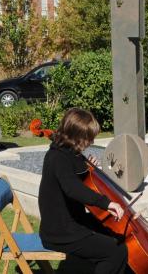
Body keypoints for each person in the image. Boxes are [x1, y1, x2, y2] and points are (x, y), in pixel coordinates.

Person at [39, 108, 127, 274]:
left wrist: (87, 169)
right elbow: (73, 188)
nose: (91, 142)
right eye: (89, 138)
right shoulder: (57, 157)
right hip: (60, 232)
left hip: (73, 221)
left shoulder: (68, 152)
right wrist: (106, 203)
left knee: (116, 236)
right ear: (76, 136)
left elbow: (75, 176)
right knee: (115, 252)